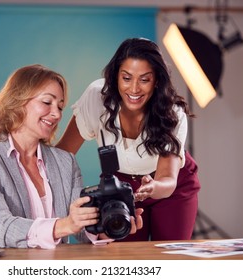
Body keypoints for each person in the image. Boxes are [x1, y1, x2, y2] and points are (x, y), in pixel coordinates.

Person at [0, 64, 143, 249]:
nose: (57, 114)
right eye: (47, 102)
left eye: (60, 106)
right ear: (17, 101)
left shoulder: (65, 161)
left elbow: (81, 230)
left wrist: (111, 225)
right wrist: (63, 225)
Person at [56, 38, 201, 241]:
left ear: (157, 80)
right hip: (120, 186)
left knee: (171, 255)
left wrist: (154, 187)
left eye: (144, 79)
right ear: (115, 77)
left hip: (169, 188)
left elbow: (168, 179)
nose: (134, 89)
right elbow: (62, 156)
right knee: (124, 257)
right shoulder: (97, 99)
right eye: (126, 78)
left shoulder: (172, 113)